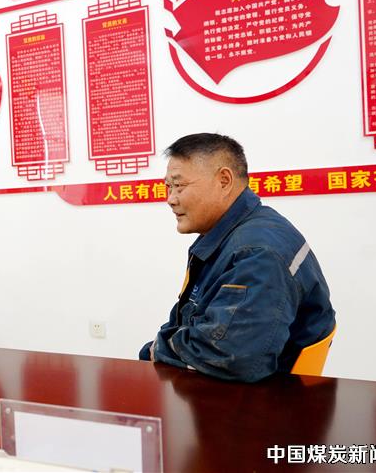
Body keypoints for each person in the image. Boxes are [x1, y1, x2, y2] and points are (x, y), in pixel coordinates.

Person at [140, 133, 336, 382]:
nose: (170, 199)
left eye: (179, 186)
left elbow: (232, 358)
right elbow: (184, 322)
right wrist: (158, 348)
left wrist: (157, 349)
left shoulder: (258, 254)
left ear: (224, 180)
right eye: (168, 187)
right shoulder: (231, 237)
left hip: (260, 400)